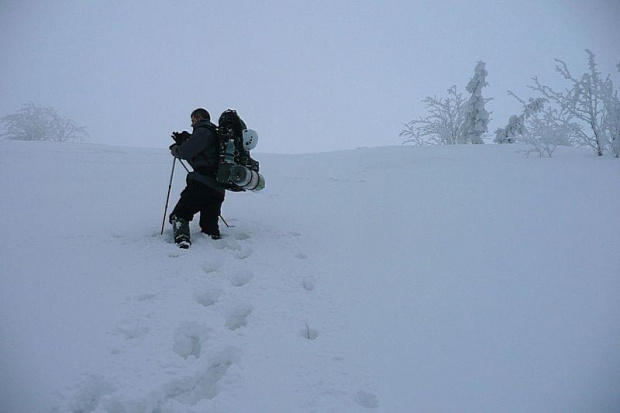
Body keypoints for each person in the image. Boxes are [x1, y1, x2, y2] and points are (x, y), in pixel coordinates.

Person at [168, 108, 225, 248]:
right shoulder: (217, 135)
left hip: (202, 184)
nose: (191, 124)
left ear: (199, 118)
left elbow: (185, 152)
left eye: (193, 120)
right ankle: (219, 251)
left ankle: (182, 242)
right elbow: (204, 157)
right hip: (218, 188)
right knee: (209, 228)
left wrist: (176, 148)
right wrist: (188, 139)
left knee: (180, 215)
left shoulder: (203, 131)